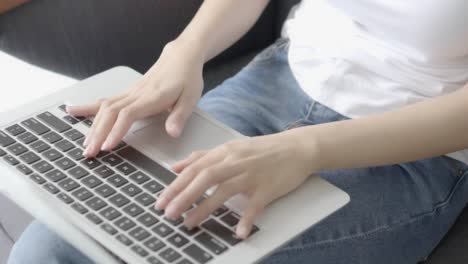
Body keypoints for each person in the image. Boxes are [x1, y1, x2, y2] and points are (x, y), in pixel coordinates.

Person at [7, 0, 468, 263]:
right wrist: (184, 51)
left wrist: (304, 148)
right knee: (52, 249)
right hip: (281, 76)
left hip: (409, 146)